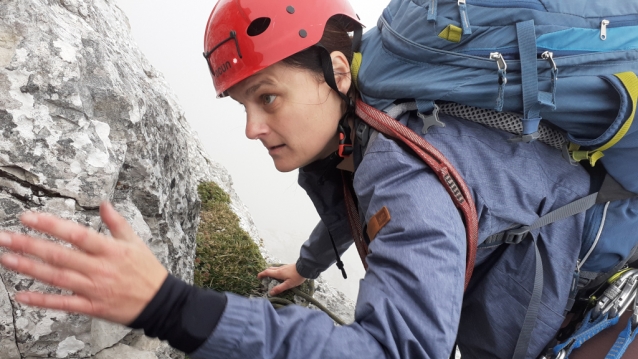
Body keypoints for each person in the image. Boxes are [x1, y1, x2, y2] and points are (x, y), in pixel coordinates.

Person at [0, 0, 632, 358]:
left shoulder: (406, 173)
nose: (250, 128)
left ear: (336, 70)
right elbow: (345, 207)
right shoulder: (357, 136)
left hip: (598, 328)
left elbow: (395, 351)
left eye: (267, 98)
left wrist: (172, 306)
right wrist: (305, 268)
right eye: (241, 106)